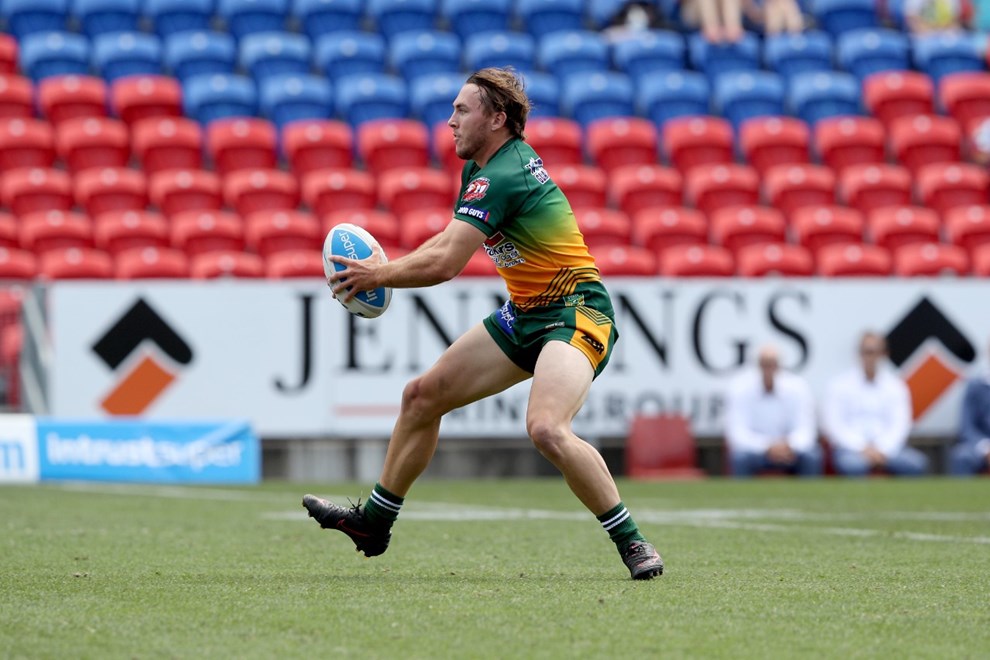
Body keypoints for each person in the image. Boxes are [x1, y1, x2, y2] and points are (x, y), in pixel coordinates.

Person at [303, 67, 664, 580]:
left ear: (497, 119)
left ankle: (633, 542)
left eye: (461, 110)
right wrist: (385, 268)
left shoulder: (503, 174)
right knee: (421, 397)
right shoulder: (481, 168)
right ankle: (373, 524)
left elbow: (446, 264)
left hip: (576, 312)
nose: (450, 121)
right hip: (526, 314)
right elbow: (446, 240)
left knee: (546, 428)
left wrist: (377, 274)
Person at [822, 332, 929, 477]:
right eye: (866, 352)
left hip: (889, 450)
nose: (870, 358)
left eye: (875, 352)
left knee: (916, 463)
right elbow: (835, 426)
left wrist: (881, 450)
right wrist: (863, 448)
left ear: (884, 354)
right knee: (852, 465)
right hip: (851, 450)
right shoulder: (839, 385)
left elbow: (900, 425)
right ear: (859, 354)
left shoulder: (895, 386)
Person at [724, 344, 822, 477]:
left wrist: (788, 445)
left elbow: (806, 430)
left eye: (772, 364)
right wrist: (767, 447)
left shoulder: (798, 387)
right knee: (739, 457)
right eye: (765, 364)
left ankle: (809, 492)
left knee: (812, 456)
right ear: (757, 366)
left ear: (780, 365)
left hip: (791, 451)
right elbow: (737, 433)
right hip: (756, 452)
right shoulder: (739, 388)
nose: (769, 369)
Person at [949, 340, 990, 475]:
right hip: (981, 445)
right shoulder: (975, 386)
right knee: (962, 456)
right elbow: (966, 427)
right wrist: (985, 448)